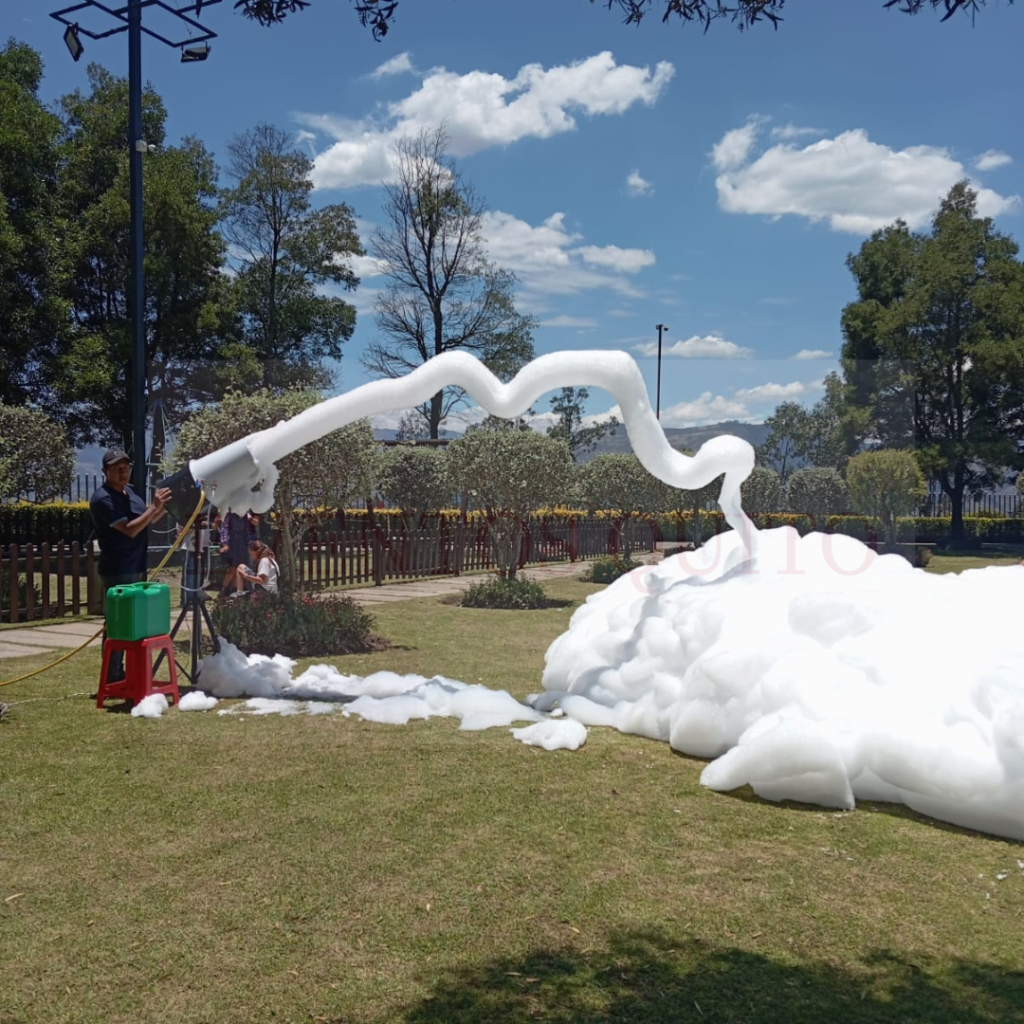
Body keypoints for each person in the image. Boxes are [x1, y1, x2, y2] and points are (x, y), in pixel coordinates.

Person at [89, 448, 172, 683]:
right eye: (116, 468)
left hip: (136, 565)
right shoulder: (103, 498)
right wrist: (154, 507)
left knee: (135, 620)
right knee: (117, 624)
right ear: (106, 472)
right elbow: (131, 529)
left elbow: (149, 519)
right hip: (118, 569)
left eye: (125, 467)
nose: (122, 472)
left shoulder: (130, 494)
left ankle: (129, 672)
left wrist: (166, 504)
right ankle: (112, 675)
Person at [218, 509, 258, 597]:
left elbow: (256, 523)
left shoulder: (249, 513)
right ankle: (223, 590)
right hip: (233, 542)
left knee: (242, 566)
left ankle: (235, 590)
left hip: (245, 542)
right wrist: (225, 543)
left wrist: (249, 517)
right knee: (232, 567)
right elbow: (224, 528)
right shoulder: (230, 513)